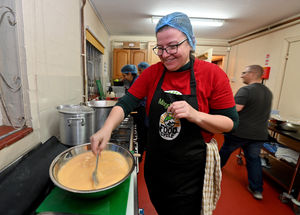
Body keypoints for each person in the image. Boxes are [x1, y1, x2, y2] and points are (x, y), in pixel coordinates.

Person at [90, 12, 238, 215]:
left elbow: (230, 122)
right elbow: (125, 103)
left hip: (190, 172)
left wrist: (196, 115)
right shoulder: (153, 73)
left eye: (173, 46)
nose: (165, 54)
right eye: (160, 48)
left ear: (191, 42)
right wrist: (105, 129)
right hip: (157, 164)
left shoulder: (213, 75)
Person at [219, 65, 273, 200]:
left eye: (244, 73)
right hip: (259, 134)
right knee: (254, 160)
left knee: (225, 151)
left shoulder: (246, 90)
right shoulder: (268, 92)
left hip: (240, 132)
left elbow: (235, 109)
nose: (242, 75)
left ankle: (213, 170)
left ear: (252, 73)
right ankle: (257, 190)